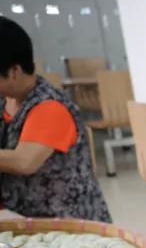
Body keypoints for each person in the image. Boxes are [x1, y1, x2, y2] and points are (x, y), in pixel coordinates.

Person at [0, 18, 110, 222]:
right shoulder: (6, 100)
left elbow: (24, 161)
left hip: (71, 228)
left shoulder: (50, 106)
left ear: (14, 71)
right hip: (26, 221)